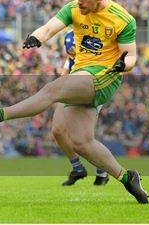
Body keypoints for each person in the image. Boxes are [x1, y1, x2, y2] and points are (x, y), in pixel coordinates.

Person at [0, 0, 149, 204]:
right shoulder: (73, 9)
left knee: (54, 90)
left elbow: (131, 58)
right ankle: (127, 177)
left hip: (104, 78)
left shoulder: (123, 19)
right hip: (81, 76)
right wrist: (36, 37)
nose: (79, 1)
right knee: (81, 142)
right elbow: (49, 28)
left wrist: (122, 65)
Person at [53, 29, 109, 186]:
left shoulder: (98, 33)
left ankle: (103, 170)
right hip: (69, 87)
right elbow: (69, 60)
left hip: (89, 87)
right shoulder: (70, 34)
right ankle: (77, 168)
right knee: (58, 130)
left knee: (84, 139)